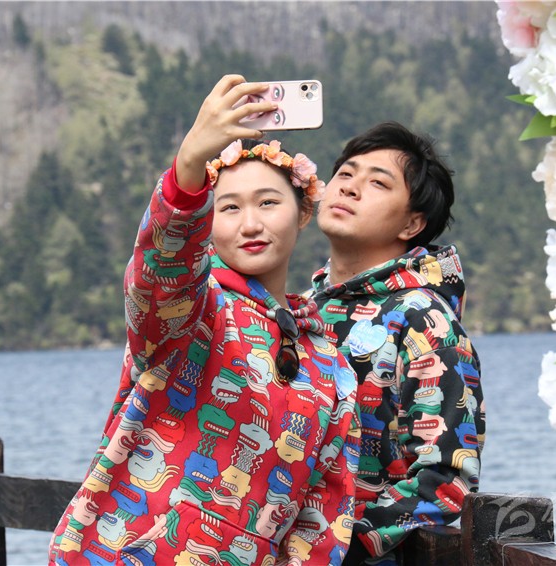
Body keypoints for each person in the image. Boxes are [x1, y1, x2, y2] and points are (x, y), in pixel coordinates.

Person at [48, 75, 360, 565]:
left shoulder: (332, 368)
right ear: (208, 223)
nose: (250, 224)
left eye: (268, 202)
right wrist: (190, 165)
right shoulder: (194, 308)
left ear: (303, 212)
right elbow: (159, 275)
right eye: (229, 208)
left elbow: (320, 521)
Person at [309, 122, 485, 565]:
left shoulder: (424, 321)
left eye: (377, 183)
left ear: (412, 222)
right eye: (345, 174)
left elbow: (445, 478)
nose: (349, 188)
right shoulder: (303, 309)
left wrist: (342, 545)